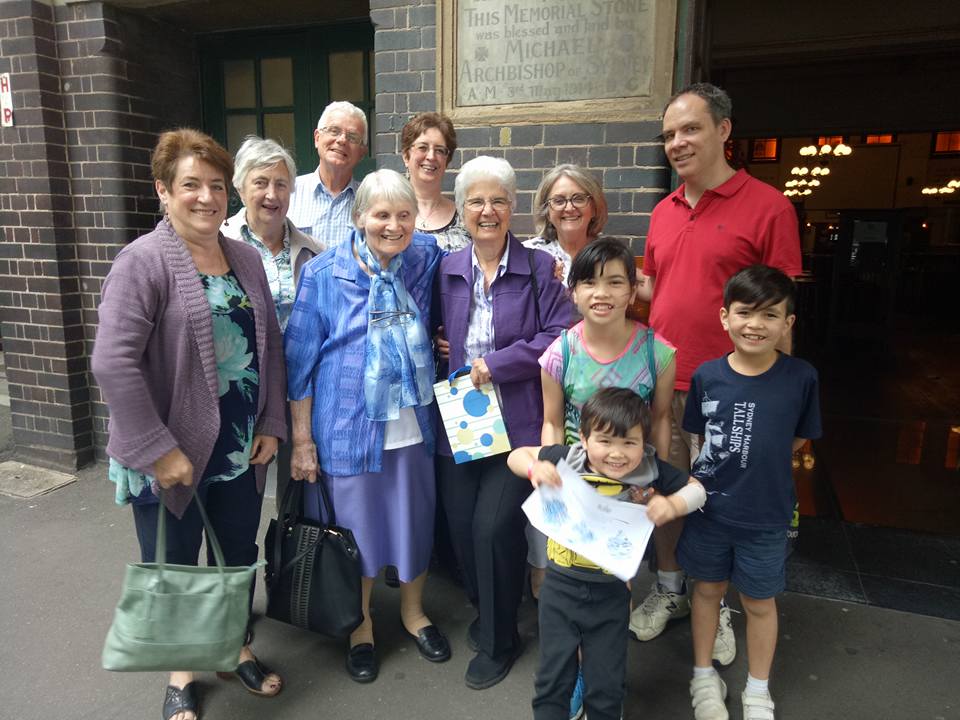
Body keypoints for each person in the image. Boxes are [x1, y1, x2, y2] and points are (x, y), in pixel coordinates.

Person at [92, 129, 288, 720]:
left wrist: (272, 422)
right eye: (190, 185)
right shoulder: (143, 262)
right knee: (175, 566)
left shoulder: (246, 257)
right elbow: (112, 360)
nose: (206, 197)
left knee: (234, 556)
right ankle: (181, 670)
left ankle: (232, 648)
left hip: (238, 448)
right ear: (163, 190)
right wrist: (155, 447)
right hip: (171, 453)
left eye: (215, 186)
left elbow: (270, 347)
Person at [630, 83, 803, 664]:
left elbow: (779, 311)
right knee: (671, 490)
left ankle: (717, 603)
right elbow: (656, 288)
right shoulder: (662, 210)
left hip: (735, 392)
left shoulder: (768, 206)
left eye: (690, 129)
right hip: (664, 385)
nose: (677, 143)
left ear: (725, 130)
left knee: (722, 501)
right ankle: (672, 591)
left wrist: (784, 398)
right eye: (670, 134)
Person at [285, 169, 450, 685]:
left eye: (404, 215)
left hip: (413, 424)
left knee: (413, 521)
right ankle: (360, 626)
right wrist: (302, 440)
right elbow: (300, 361)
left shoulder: (425, 260)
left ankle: (413, 611)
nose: (394, 226)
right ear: (359, 219)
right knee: (356, 532)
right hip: (348, 428)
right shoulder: (324, 273)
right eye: (382, 214)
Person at [434, 155, 573, 690]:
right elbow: (431, 329)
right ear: (462, 209)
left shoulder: (540, 269)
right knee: (461, 527)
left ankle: (500, 639)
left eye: (497, 200)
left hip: (518, 424)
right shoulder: (446, 268)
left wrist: (497, 363)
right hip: (461, 423)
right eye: (476, 201)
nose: (487, 211)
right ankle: (488, 608)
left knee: (493, 528)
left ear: (513, 207)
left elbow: (557, 336)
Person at [508, 388, 706, 720]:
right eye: (605, 441)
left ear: (644, 443)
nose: (617, 453)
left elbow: (698, 490)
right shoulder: (567, 457)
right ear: (583, 439)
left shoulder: (650, 469)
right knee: (552, 682)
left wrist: (672, 504)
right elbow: (516, 455)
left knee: (607, 685)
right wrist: (533, 469)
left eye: (629, 442)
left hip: (612, 592)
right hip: (560, 587)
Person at [679, 265, 821, 720]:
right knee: (706, 591)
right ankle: (703, 675)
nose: (755, 325)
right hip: (710, 513)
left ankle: (757, 690)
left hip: (767, 516)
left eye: (769, 315)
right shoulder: (706, 376)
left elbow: (798, 439)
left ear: (788, 323)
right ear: (724, 317)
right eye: (744, 313)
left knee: (760, 602)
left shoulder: (801, 377)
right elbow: (698, 439)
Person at [220, 135, 325, 510]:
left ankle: (289, 564)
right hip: (246, 392)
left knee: (298, 494)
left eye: (281, 184)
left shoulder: (313, 252)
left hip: (302, 390)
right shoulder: (219, 245)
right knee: (241, 498)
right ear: (240, 186)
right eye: (260, 182)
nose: (271, 193)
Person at [287, 100, 367, 244]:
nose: (342, 140)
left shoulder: (370, 200)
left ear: (362, 152)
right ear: (317, 138)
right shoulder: (289, 192)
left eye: (352, 137)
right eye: (334, 131)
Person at [523, 163, 609, 285]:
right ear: (547, 211)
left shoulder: (611, 253)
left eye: (579, 199)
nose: (569, 208)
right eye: (559, 201)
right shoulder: (527, 255)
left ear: (595, 207)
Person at [401, 111, 472, 251]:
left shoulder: (466, 217)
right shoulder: (387, 215)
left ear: (447, 160)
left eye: (440, 150)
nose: (431, 156)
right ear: (406, 156)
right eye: (422, 147)